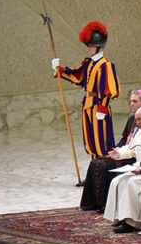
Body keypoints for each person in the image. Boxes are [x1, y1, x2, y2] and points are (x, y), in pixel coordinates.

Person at [52, 21, 121, 158]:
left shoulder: (105, 65)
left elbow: (108, 90)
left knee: (101, 141)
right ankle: (95, 173)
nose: (89, 48)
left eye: (91, 46)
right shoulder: (89, 64)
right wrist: (59, 69)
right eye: (89, 45)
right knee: (91, 141)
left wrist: (102, 109)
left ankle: (103, 171)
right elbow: (78, 77)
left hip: (98, 106)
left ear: (100, 47)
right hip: (88, 104)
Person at [80, 89, 141, 213]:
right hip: (126, 152)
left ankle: (107, 205)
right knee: (96, 162)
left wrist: (122, 154)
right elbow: (125, 139)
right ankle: (92, 203)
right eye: (130, 101)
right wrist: (116, 150)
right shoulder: (132, 119)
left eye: (135, 101)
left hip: (136, 158)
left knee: (104, 166)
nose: (131, 104)